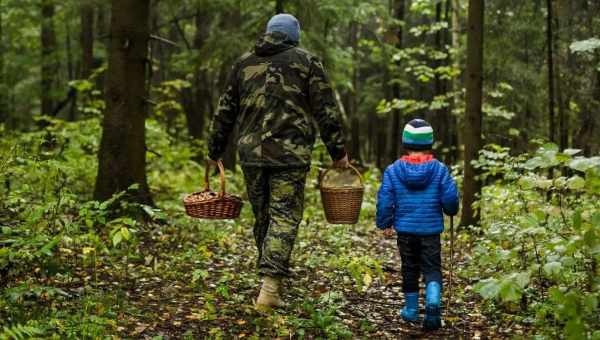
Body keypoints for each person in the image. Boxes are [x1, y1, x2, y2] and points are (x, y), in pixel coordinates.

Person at [207, 13, 348, 310]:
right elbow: (326, 109)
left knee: (264, 217)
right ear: (294, 36)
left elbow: (224, 111)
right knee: (283, 216)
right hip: (290, 155)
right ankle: (270, 288)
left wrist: (214, 149)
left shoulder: (243, 63)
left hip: (251, 155)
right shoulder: (307, 62)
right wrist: (338, 151)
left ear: (269, 33)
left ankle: (270, 277)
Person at [375, 118, 459, 330]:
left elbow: (385, 198)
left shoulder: (393, 170)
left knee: (409, 268)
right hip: (430, 231)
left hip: (405, 231)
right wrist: (450, 209)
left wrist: (385, 222)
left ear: (406, 143)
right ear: (430, 143)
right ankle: (432, 304)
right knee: (432, 268)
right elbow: (450, 199)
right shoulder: (439, 170)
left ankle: (411, 310)